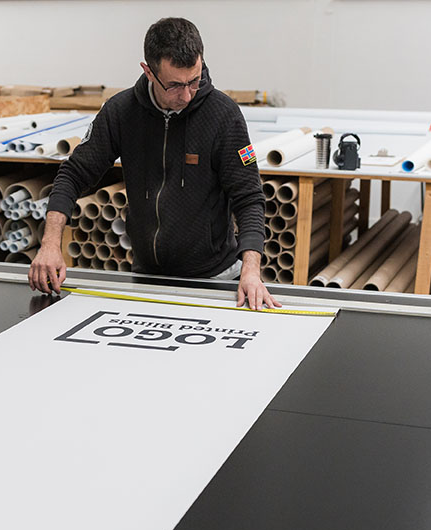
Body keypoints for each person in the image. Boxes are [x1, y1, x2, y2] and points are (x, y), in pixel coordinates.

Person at [29, 17, 280, 310]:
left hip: (214, 279)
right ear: (148, 71)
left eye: (194, 81)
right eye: (174, 85)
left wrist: (251, 270)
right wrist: (50, 244)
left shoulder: (223, 116)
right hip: (147, 278)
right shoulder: (121, 112)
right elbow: (73, 174)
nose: (186, 95)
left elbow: (249, 198)